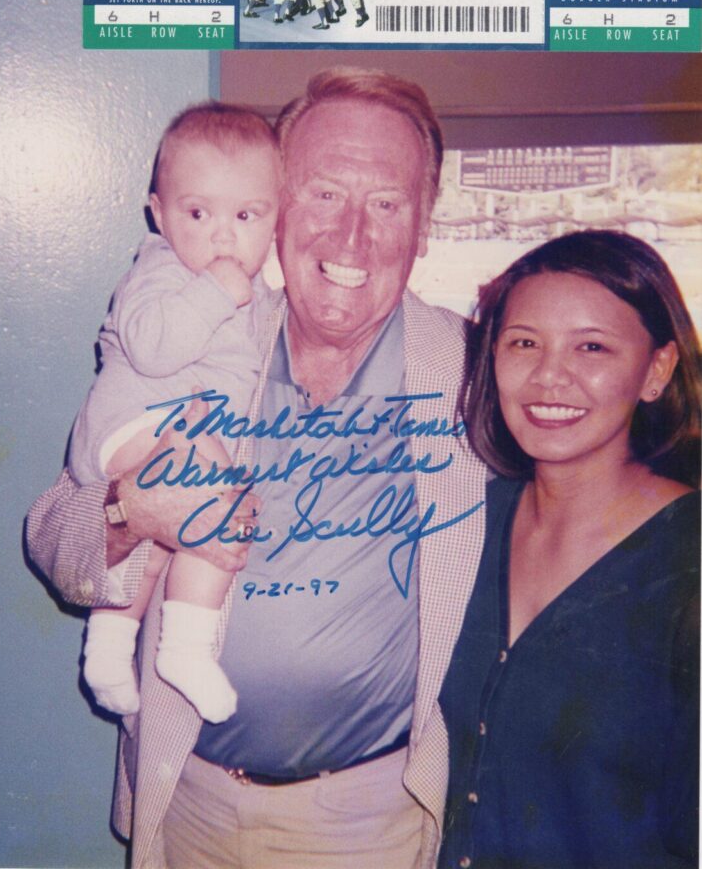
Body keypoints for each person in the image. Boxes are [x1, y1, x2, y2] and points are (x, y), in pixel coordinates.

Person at [27, 67, 487, 869]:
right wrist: (129, 513)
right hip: (191, 799)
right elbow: (50, 537)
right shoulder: (202, 338)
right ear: (273, 212)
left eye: (387, 203)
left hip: (368, 824)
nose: (352, 239)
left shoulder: (472, 373)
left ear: (424, 225)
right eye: (322, 195)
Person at [439, 230, 700, 869]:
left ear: (656, 370)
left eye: (592, 347)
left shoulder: (687, 560)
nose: (550, 376)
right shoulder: (465, 522)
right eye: (524, 343)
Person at [70, 102, 281, 723]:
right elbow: (156, 350)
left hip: (169, 426)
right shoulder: (160, 271)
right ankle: (184, 648)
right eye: (198, 212)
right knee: (217, 499)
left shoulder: (260, 296)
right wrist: (216, 291)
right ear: (159, 214)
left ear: (275, 218)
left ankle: (108, 647)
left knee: (165, 537)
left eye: (246, 215)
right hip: (139, 420)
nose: (223, 235)